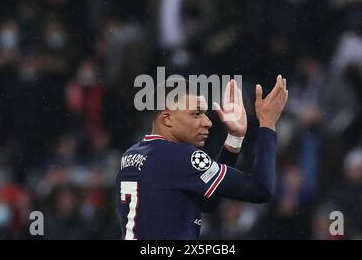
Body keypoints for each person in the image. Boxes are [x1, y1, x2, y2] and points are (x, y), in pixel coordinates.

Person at [116, 75, 288, 239]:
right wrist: (267, 124)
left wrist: (235, 139)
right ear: (167, 119)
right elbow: (260, 190)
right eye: (196, 114)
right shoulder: (181, 156)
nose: (208, 122)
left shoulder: (131, 155)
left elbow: (208, 203)